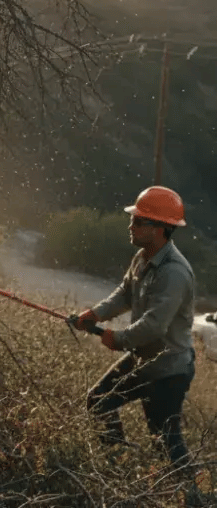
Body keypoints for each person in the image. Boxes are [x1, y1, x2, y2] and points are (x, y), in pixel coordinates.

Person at [73, 186, 196, 470]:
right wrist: (96, 314)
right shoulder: (142, 257)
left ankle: (193, 497)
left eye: (139, 221)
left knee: (165, 442)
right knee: (99, 401)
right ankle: (119, 464)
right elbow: (125, 295)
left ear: (160, 229)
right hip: (144, 358)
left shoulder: (174, 273)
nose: (131, 225)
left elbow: (154, 325)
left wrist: (117, 339)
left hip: (168, 369)